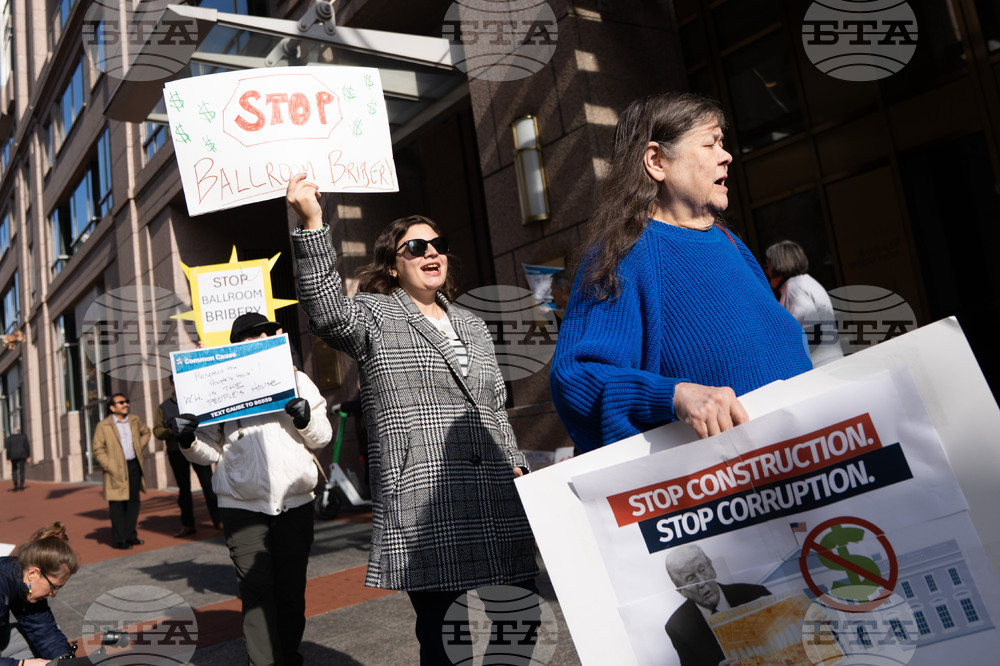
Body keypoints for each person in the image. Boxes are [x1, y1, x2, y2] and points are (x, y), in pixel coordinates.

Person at [286, 174, 539, 666]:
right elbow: (325, 312)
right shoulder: (373, 316)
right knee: (447, 639)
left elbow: (494, 405)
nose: (431, 252)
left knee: (520, 617)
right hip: (424, 499)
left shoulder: (472, 324)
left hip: (495, 494)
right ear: (394, 266)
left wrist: (517, 463)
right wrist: (312, 221)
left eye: (437, 244)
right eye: (415, 246)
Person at [549, 92, 812, 451]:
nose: (727, 156)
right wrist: (672, 396)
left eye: (723, 142)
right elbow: (577, 379)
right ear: (657, 161)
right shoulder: (624, 255)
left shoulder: (733, 246)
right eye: (711, 143)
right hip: (722, 491)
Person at [173, 312, 332, 666]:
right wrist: (187, 439)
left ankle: (288, 656)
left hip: (295, 503)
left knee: (291, 591)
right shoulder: (218, 384)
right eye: (249, 336)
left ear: (277, 336)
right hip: (241, 506)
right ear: (236, 346)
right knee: (257, 592)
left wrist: (304, 419)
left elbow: (323, 437)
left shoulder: (299, 380)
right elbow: (207, 450)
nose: (259, 338)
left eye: (266, 332)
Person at [664, 544, 770, 666]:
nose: (702, 582)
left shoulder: (756, 595)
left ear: (712, 569)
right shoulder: (677, 627)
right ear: (681, 591)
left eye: (702, 570)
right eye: (690, 578)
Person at [0, 523, 80, 666]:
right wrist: (22, 664)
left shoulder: (26, 585)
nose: (53, 594)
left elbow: (44, 631)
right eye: (53, 587)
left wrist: (66, 662)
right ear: (34, 573)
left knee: (50, 650)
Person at [154, 376, 222, 537]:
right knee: (184, 489)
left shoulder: (197, 401)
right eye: (175, 382)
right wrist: (172, 431)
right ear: (171, 384)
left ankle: (219, 520)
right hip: (176, 451)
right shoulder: (164, 407)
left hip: (199, 446)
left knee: (208, 484)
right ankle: (188, 524)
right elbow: (157, 431)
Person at [764, 240, 844, 368]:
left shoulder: (794, 288)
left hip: (819, 367)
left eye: (768, 265)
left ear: (778, 264)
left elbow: (812, 333)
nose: (767, 271)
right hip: (831, 363)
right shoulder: (805, 282)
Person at [92, 393, 151, 550]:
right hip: (114, 470)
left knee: (133, 502)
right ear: (112, 407)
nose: (125, 404)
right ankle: (120, 539)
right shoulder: (103, 426)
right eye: (121, 402)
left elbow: (146, 432)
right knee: (117, 504)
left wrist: (139, 447)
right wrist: (109, 465)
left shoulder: (134, 420)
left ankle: (131, 535)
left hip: (133, 466)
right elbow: (97, 449)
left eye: (126, 401)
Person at [5, 428, 28, 492]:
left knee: (14, 470)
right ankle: (21, 485)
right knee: (22, 470)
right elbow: (26, 446)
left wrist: (8, 458)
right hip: (22, 455)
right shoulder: (23, 437)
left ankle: (15, 484)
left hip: (13, 456)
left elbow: (8, 449)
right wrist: (28, 455)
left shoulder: (10, 439)